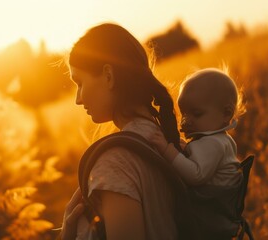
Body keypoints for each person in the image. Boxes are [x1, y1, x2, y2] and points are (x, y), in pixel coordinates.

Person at [60, 23, 187, 240]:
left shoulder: (114, 162)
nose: (78, 99)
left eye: (80, 83)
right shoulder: (170, 143)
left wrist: (66, 235)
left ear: (108, 76)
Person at [147, 68, 246, 239]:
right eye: (184, 114)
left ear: (226, 113)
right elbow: (201, 159)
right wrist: (185, 148)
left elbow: (195, 174)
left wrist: (167, 150)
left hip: (211, 220)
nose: (187, 121)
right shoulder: (219, 139)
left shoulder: (214, 143)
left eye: (197, 113)